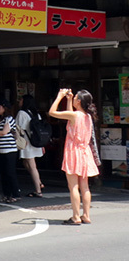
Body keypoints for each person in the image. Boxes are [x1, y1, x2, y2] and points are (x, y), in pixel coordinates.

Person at [49, 88, 99, 225]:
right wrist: (69, 100)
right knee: (85, 187)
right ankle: (86, 215)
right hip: (85, 152)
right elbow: (70, 115)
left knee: (73, 187)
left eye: (75, 97)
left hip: (73, 151)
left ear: (79, 101)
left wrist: (59, 97)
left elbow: (52, 112)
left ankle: (76, 216)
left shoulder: (75, 116)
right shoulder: (88, 116)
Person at [0, 98, 21, 203]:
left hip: (10, 150)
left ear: (4, 108)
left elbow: (4, 132)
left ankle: (15, 194)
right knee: (3, 173)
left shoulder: (9, 119)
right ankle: (6, 194)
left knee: (10, 172)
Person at [16, 94, 45, 198]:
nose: (19, 101)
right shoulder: (36, 114)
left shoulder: (21, 113)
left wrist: (17, 140)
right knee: (27, 163)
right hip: (36, 142)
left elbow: (18, 128)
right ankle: (39, 182)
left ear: (24, 102)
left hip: (27, 142)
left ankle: (38, 190)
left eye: (21, 100)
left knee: (32, 166)